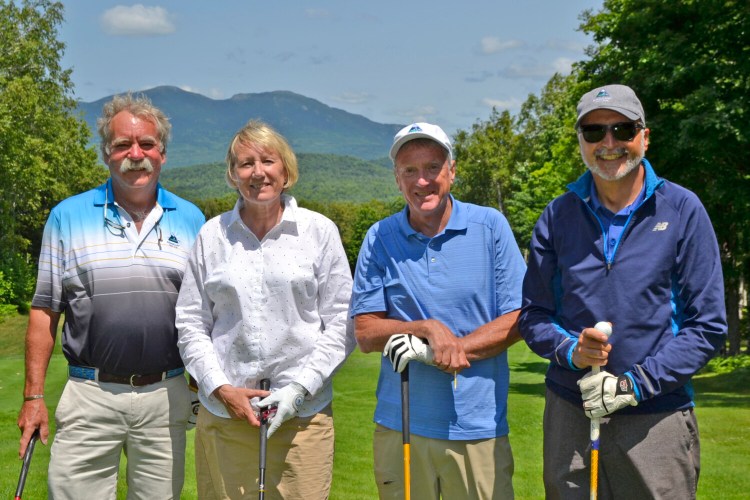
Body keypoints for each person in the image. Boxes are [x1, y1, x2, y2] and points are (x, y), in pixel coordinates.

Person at [519, 84, 727, 499]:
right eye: (594, 132)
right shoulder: (558, 215)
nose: (609, 143)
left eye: (622, 129)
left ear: (644, 137)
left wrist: (633, 385)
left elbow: (706, 326)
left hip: (655, 416)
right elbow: (534, 315)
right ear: (580, 141)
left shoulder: (682, 209)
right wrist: (572, 351)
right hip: (570, 412)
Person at [16, 93, 206, 498]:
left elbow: (203, 316)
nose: (135, 154)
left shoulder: (193, 220)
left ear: (163, 154)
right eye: (123, 144)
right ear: (106, 153)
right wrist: (34, 396)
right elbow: (44, 312)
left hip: (166, 396)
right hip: (90, 396)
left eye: (146, 145)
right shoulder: (67, 216)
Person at [175, 119, 354, 499]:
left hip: (302, 420)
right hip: (227, 417)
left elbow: (342, 322)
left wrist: (300, 389)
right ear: (232, 175)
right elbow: (191, 323)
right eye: (245, 164)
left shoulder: (318, 232)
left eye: (268, 161)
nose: (258, 173)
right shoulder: (212, 236)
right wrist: (222, 389)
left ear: (286, 171)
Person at [350, 122, 526, 499]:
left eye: (432, 167)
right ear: (397, 179)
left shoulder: (489, 227)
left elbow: (519, 318)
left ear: (452, 171)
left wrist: (443, 351)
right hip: (402, 425)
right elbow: (365, 332)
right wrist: (425, 328)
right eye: (409, 171)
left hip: (478, 426)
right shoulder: (379, 237)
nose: (422, 181)